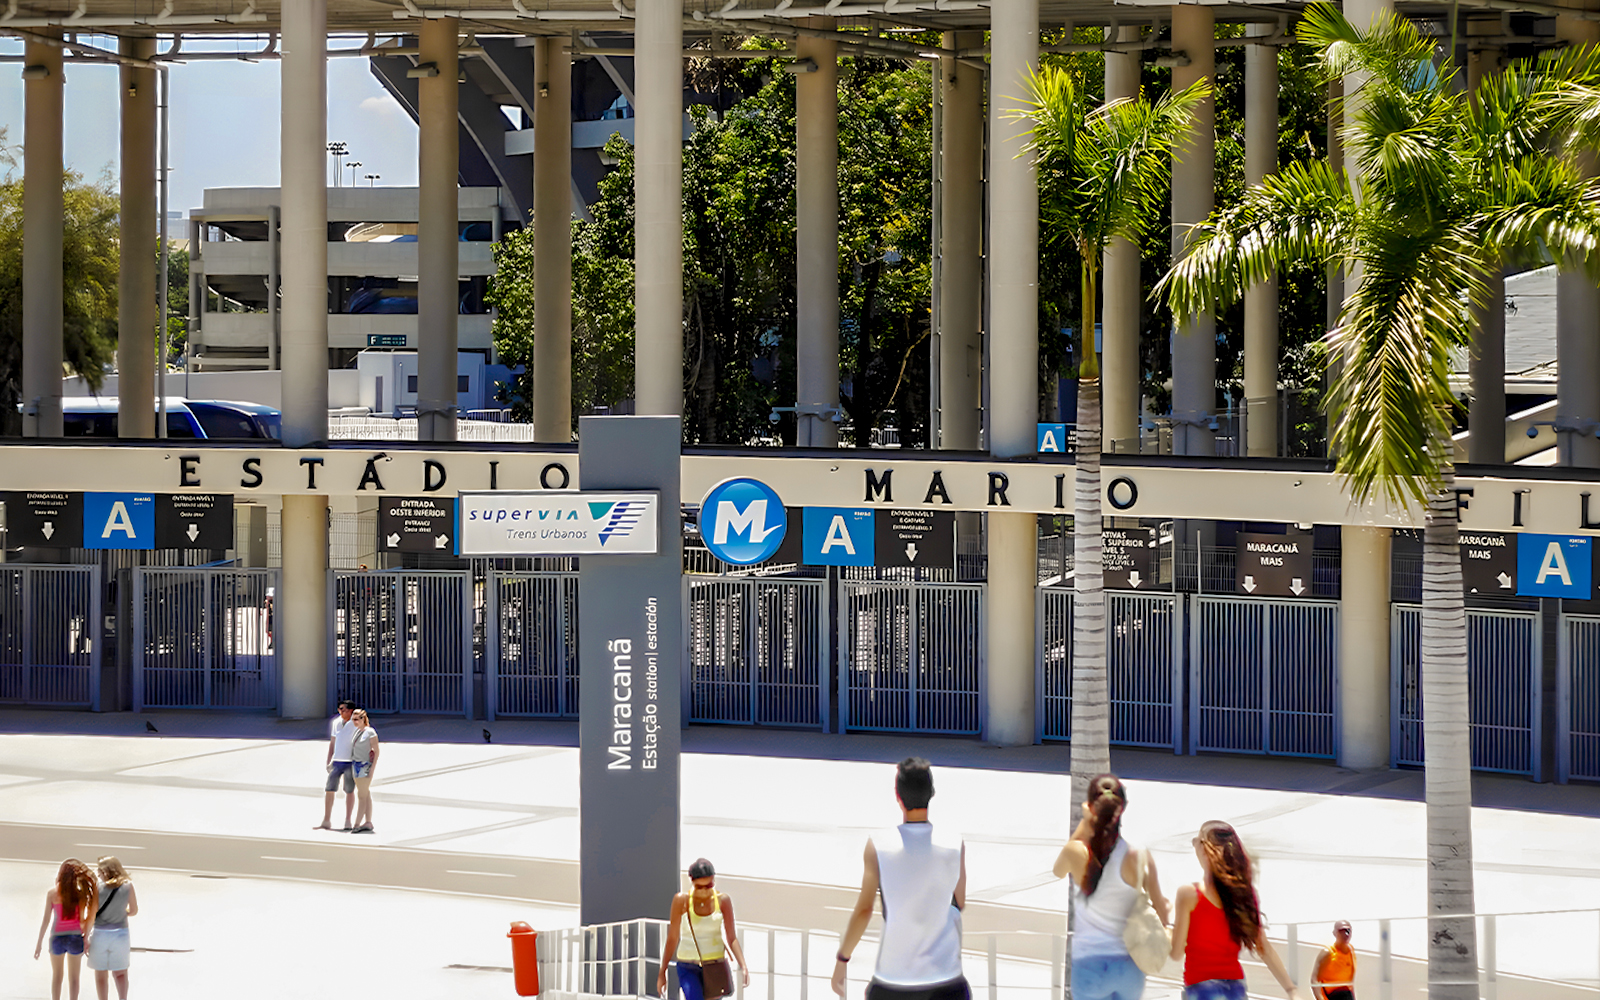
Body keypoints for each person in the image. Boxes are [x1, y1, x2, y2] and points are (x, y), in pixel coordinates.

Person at [832, 758, 968, 1000]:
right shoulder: (954, 844)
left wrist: (843, 958)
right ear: (931, 793)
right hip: (946, 978)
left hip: (893, 981)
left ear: (898, 796)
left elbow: (864, 910)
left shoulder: (879, 846)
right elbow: (959, 901)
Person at [1052, 774, 1169, 1000]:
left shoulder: (1076, 852)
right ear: (1122, 809)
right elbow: (1162, 915)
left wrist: (1086, 823)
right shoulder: (1140, 857)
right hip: (1129, 965)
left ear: (1091, 807)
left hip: (1089, 964)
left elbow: (1057, 871)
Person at [1169, 821, 1301, 1000]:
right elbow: (1264, 948)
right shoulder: (1243, 895)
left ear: (1205, 849)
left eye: (1197, 841)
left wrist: (1161, 929)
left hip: (1202, 989)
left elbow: (1176, 953)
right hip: (1236, 988)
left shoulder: (1189, 894)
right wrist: (1291, 989)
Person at [655, 859, 750, 1000]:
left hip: (714, 966)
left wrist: (743, 965)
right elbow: (673, 938)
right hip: (688, 965)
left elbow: (731, 937)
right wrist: (662, 971)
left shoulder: (723, 901)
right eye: (700, 887)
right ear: (692, 882)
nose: (705, 891)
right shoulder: (682, 900)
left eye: (709, 885)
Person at [34, 858, 98, 1000]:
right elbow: (82, 921)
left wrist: (39, 943)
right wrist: (86, 937)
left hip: (56, 938)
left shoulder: (52, 893)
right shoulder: (80, 894)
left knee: (57, 976)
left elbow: (46, 920)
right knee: (74, 978)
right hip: (75, 938)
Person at [87, 857, 138, 1000]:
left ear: (105, 871)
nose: (98, 874)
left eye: (99, 871)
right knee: (121, 973)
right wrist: (121, 912)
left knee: (101, 973)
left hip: (100, 934)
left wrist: (85, 937)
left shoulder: (97, 888)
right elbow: (133, 910)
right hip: (120, 934)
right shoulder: (128, 886)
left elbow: (91, 915)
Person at [316, 700, 358, 831]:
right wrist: (329, 760)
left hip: (351, 761)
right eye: (339, 709)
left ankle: (348, 820)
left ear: (351, 711)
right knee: (329, 789)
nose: (340, 712)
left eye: (343, 709)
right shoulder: (336, 722)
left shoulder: (357, 723)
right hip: (337, 761)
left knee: (349, 790)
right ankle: (326, 819)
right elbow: (333, 742)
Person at [350, 708, 380, 834]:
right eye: (353, 720)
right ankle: (368, 821)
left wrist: (372, 769)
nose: (355, 722)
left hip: (364, 766)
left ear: (363, 719)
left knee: (361, 796)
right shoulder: (357, 732)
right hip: (355, 765)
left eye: (357, 719)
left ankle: (357, 824)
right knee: (365, 794)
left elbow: (376, 751)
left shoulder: (370, 732)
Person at [1311, 921, 1356, 1000]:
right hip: (1331, 994)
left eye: (1348, 931)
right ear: (1335, 933)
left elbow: (1350, 981)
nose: (1346, 934)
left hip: (1346, 994)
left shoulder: (1350, 951)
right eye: (1341, 931)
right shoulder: (1328, 953)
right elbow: (1314, 980)